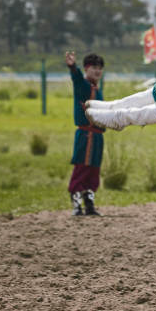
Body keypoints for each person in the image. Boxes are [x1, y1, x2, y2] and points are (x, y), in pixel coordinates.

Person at [65, 51, 105, 216]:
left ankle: (89, 204)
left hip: (97, 136)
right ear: (86, 69)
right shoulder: (83, 85)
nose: (97, 71)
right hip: (85, 136)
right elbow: (76, 78)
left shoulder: (97, 90)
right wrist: (72, 66)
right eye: (94, 68)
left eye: (100, 68)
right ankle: (76, 205)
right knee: (82, 168)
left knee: (94, 171)